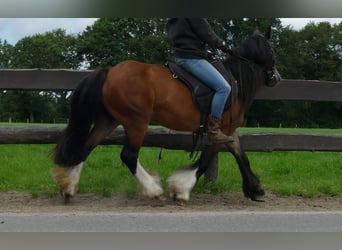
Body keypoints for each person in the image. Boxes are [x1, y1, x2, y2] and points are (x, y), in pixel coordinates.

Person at [166, 18, 233, 144]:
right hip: (192, 58)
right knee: (224, 88)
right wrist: (224, 45)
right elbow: (207, 33)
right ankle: (214, 131)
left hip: (181, 56)